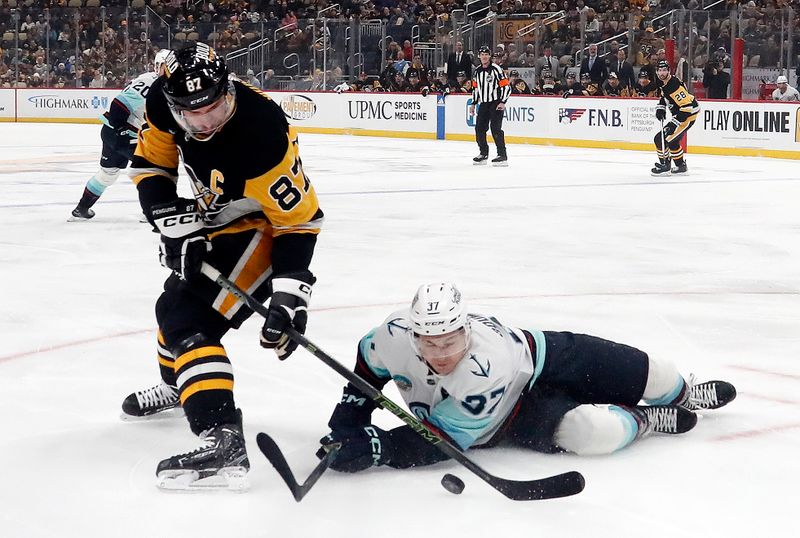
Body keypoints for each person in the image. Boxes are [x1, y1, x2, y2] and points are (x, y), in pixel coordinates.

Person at [120, 43, 324, 491]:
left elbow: (299, 221)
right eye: (195, 116)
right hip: (216, 218)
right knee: (171, 306)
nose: (207, 122)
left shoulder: (261, 132)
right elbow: (151, 165)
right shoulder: (159, 100)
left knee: (187, 318)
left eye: (215, 107)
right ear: (175, 106)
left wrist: (290, 296)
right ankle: (183, 384)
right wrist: (172, 221)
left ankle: (221, 432)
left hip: (263, 229)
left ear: (229, 88)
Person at [316, 283, 736, 473]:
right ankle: (645, 420)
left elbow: (438, 439)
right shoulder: (390, 336)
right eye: (429, 344)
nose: (441, 355)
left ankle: (681, 395)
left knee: (655, 371)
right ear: (412, 335)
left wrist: (382, 446)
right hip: (510, 419)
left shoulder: (486, 362)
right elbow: (369, 368)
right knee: (594, 433)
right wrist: (353, 413)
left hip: (543, 354)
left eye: (450, 342)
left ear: (466, 330)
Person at [69, 50, 170, 220]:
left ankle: (81, 209)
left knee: (108, 174)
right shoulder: (150, 81)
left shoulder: (164, 85)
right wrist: (121, 130)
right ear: (158, 66)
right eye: (167, 67)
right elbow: (119, 103)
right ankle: (152, 211)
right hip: (120, 131)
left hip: (112, 131)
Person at [652, 60, 699, 176]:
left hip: (687, 115)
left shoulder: (674, 85)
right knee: (672, 141)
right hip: (683, 113)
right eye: (659, 70)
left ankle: (665, 166)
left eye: (664, 70)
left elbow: (687, 107)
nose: (661, 73)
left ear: (669, 71)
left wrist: (674, 123)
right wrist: (661, 107)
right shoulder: (664, 82)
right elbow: (665, 97)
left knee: (661, 138)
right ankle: (680, 166)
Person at [470, 45, 511, 166]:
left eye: (486, 54)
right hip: (484, 103)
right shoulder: (477, 71)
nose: (484, 57)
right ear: (479, 56)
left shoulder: (496, 69)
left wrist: (503, 101)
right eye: (482, 55)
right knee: (479, 128)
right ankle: (483, 153)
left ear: (490, 56)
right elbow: (475, 88)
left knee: (495, 128)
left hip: (496, 102)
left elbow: (506, 86)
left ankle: (502, 155)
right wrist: (473, 103)